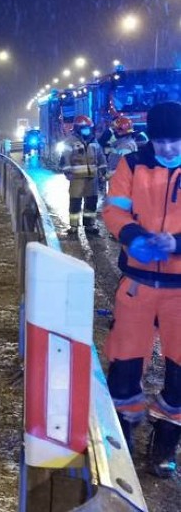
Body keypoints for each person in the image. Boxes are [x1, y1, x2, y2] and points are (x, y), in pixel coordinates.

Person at [103, 100, 181, 478]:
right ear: (153, 137)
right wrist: (133, 235)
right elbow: (114, 210)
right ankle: (122, 443)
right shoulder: (130, 164)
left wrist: (176, 244)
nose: (169, 148)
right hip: (136, 284)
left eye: (176, 140)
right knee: (124, 366)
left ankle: (164, 448)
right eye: (163, 140)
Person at [59, 115, 106, 236]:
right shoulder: (70, 141)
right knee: (75, 201)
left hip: (92, 178)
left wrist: (102, 171)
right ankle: (73, 226)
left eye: (89, 128)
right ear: (78, 128)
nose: (87, 130)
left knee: (91, 202)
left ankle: (89, 224)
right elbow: (65, 159)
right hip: (76, 178)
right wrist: (68, 172)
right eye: (85, 128)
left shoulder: (94, 141)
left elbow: (101, 157)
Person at [105, 116, 138, 180]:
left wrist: (109, 175)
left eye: (115, 130)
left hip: (120, 181)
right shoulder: (127, 142)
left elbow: (125, 168)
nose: (114, 132)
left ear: (120, 130)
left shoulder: (125, 146)